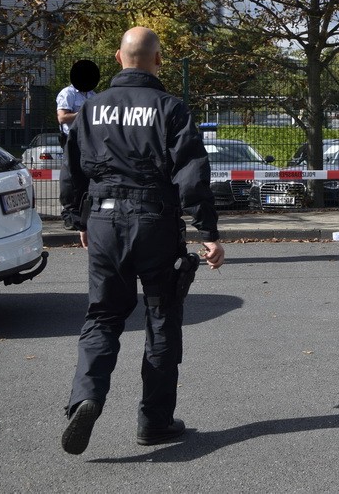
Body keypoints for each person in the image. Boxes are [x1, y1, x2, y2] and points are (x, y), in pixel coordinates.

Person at [59, 26, 225, 456]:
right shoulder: (170, 108)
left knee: (102, 316)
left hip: (102, 220)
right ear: (158, 61)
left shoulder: (90, 110)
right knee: (162, 318)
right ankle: (155, 421)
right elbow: (191, 171)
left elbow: (72, 168)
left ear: (118, 57)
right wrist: (208, 232)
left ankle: (86, 398)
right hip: (154, 221)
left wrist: (77, 217)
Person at [57, 60, 99, 230]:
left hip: (89, 139)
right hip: (71, 139)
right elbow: (62, 117)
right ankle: (70, 214)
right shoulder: (68, 93)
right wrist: (83, 112)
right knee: (71, 177)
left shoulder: (93, 95)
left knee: (86, 176)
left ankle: (84, 213)